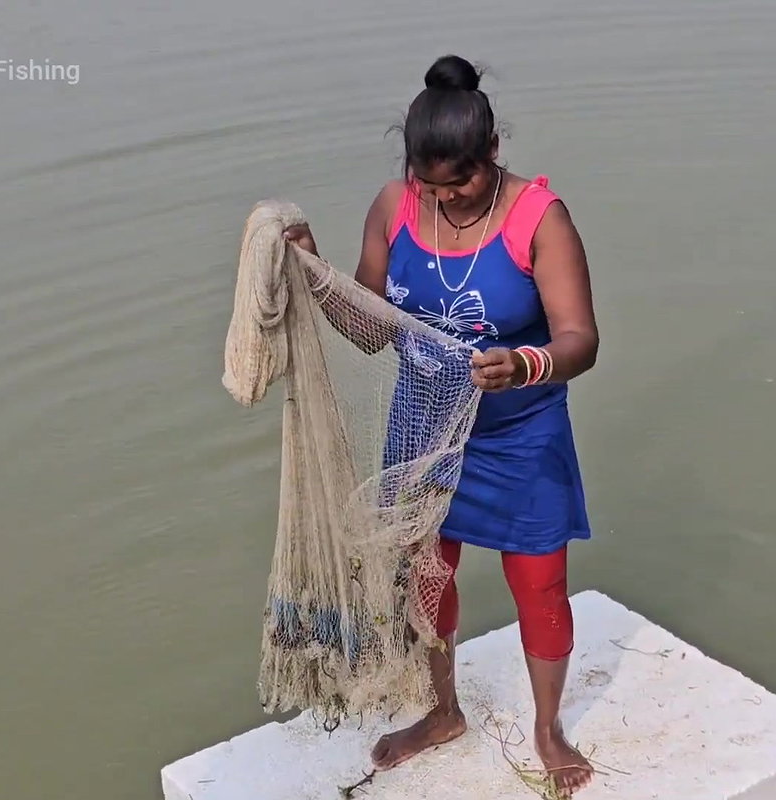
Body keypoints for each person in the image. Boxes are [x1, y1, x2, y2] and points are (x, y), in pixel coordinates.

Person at [284, 54, 600, 794]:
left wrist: (522, 365)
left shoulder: (537, 219)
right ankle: (442, 710)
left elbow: (580, 339)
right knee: (424, 577)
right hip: (423, 429)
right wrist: (316, 271)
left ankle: (549, 728)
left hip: (519, 437)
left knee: (540, 584)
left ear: (492, 154)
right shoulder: (393, 206)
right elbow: (371, 329)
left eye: (460, 182)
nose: (445, 198)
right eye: (430, 185)